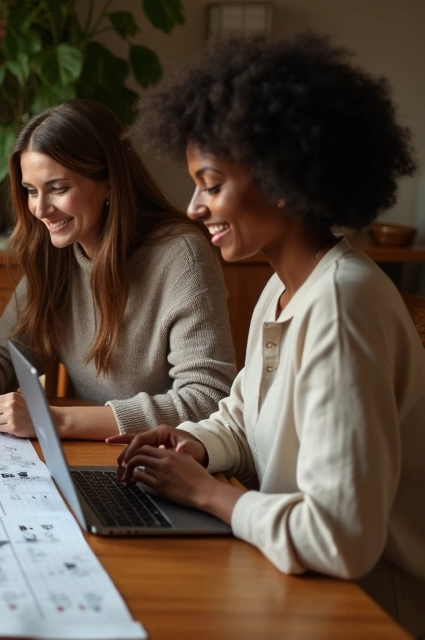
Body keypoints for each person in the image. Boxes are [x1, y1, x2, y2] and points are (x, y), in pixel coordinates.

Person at [117, 32, 425, 635]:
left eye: (210, 183)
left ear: (284, 179)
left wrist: (210, 495)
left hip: (366, 609)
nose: (193, 207)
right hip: (293, 581)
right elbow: (244, 413)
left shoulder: (342, 305)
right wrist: (194, 445)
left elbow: (341, 540)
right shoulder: (286, 285)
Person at [0, 99, 236, 440]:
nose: (40, 209)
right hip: (100, 453)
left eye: (58, 189)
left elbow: (207, 399)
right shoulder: (56, 254)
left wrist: (55, 421)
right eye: (30, 191)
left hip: (167, 461)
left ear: (109, 182)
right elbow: (1, 349)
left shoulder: (182, 256)